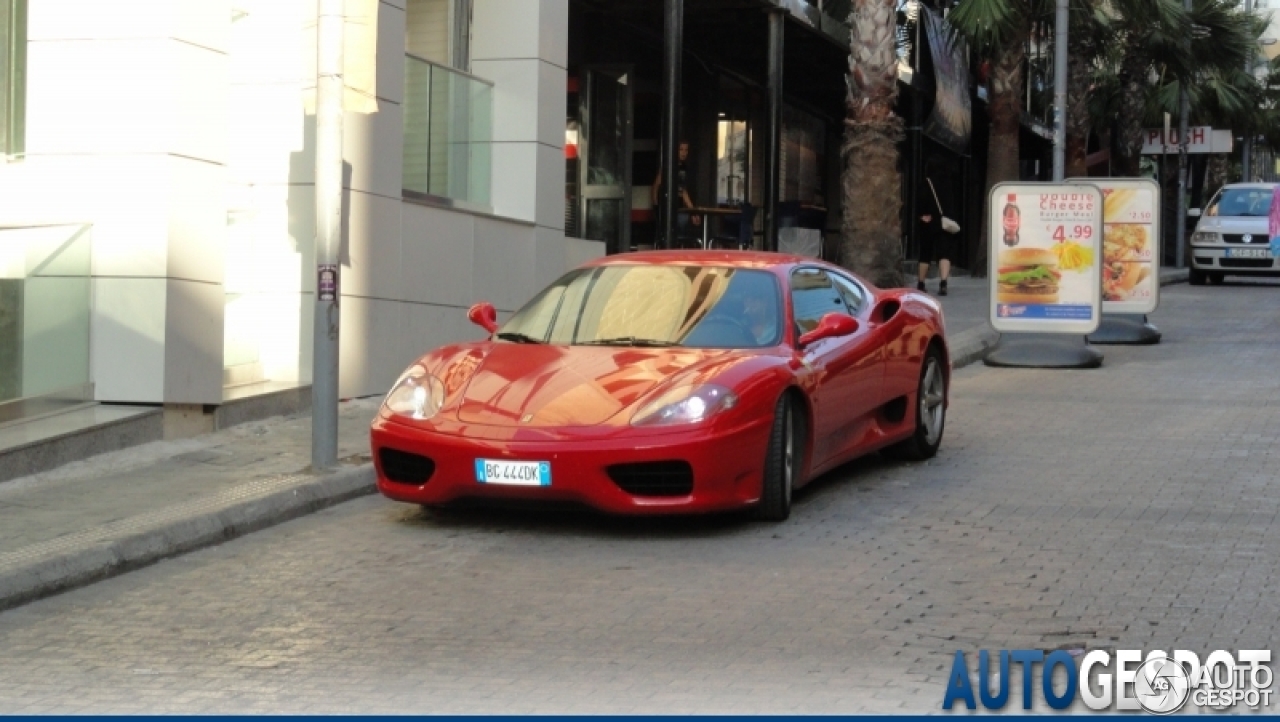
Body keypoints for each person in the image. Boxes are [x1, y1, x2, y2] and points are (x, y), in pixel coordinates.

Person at [916, 160, 956, 296]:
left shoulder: (926, 182)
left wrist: (922, 215)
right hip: (944, 222)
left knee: (925, 253)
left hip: (928, 222)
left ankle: (921, 283)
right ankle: (943, 282)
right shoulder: (948, 183)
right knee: (944, 253)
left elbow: (921, 200)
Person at [652, 141, 700, 244]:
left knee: (682, 229)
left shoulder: (683, 168)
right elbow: (656, 186)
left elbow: (683, 192)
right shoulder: (668, 166)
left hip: (678, 208)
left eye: (686, 150)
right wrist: (656, 206)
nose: (684, 153)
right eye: (681, 149)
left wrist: (693, 212)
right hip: (666, 207)